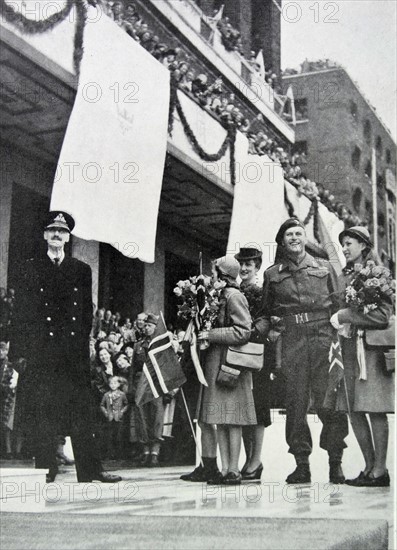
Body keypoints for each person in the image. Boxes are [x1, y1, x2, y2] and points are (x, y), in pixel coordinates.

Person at [9, 211, 121, 484]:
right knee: (43, 412)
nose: (57, 235)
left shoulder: (81, 270)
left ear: (68, 238)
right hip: (42, 353)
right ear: (45, 236)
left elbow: (85, 312)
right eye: (52, 231)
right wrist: (18, 355)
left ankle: (90, 470)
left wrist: (86, 345)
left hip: (72, 354)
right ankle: (46, 469)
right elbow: (20, 314)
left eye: (62, 232)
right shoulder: (30, 268)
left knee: (82, 413)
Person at [261, 218, 348, 484]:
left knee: (329, 401)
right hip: (293, 342)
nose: (295, 238)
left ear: (305, 237)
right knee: (295, 403)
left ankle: (335, 463)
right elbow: (267, 311)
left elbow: (340, 302)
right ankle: (301, 464)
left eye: (299, 233)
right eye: (289, 234)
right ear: (282, 241)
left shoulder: (324, 267)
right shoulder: (272, 274)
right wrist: (262, 330)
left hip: (323, 338)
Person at [181, 256, 256, 485]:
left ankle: (233, 469)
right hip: (218, 362)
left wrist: (210, 335)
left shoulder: (234, 296)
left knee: (232, 419)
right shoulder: (218, 297)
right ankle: (225, 469)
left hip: (231, 364)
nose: (211, 276)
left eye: (214, 273)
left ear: (222, 274)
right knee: (220, 418)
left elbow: (244, 331)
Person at [331, 226, 394, 487]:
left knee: (374, 409)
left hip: (371, 353)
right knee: (353, 410)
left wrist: (346, 316)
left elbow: (382, 316)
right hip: (347, 350)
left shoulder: (377, 274)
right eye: (343, 243)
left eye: (349, 243)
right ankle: (369, 467)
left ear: (363, 246)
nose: (344, 248)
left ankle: (380, 469)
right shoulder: (345, 276)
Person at [235, 247, 271, 481]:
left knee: (258, 408)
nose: (245, 268)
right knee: (242, 409)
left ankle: (256, 460)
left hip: (257, 355)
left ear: (257, 267)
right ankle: (249, 461)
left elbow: (268, 319)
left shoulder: (262, 291)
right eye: (242, 264)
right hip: (237, 356)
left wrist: (251, 331)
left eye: (250, 264)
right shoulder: (233, 291)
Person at [130, 313, 165, 467]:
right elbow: (133, 368)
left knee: (156, 416)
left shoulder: (161, 344)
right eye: (146, 326)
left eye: (150, 326)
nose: (147, 328)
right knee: (142, 416)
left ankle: (155, 452)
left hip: (156, 384)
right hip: (140, 383)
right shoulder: (138, 345)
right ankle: (145, 452)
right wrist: (131, 387)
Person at [100, 376, 129, 460]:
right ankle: (110, 455)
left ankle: (119, 455)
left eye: (115, 383)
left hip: (118, 418)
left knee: (119, 436)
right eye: (111, 383)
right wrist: (106, 412)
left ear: (119, 384)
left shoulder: (122, 394)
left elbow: (126, 404)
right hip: (110, 417)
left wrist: (122, 412)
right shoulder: (106, 395)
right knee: (109, 436)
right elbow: (102, 405)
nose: (113, 385)